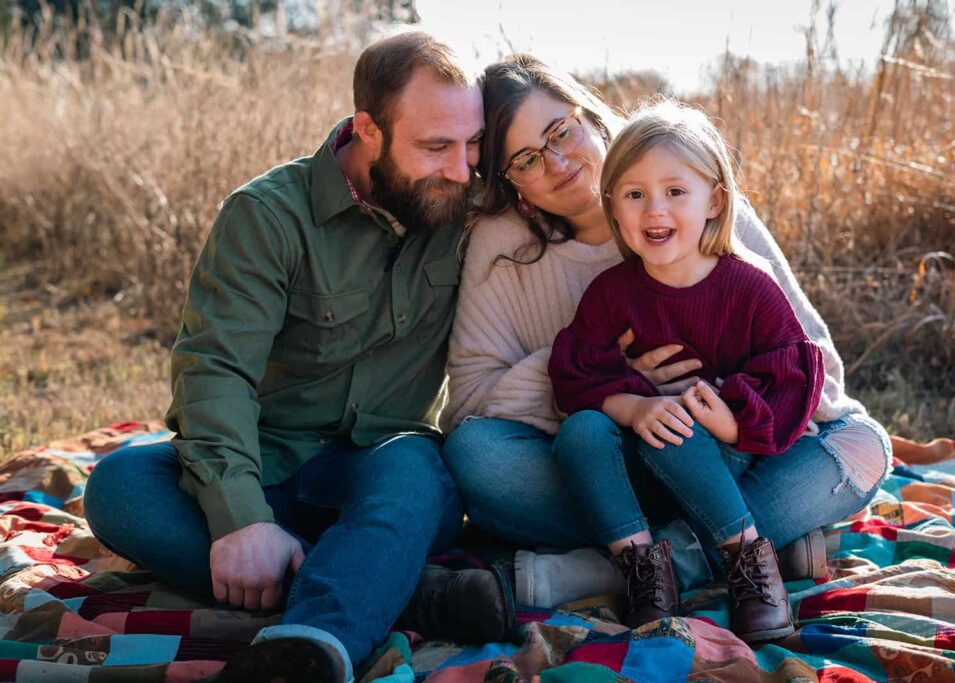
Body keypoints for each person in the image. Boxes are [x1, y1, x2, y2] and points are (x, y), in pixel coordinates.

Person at [83, 32, 513, 683]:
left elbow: (580, 219)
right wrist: (240, 518)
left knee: (420, 474)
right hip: (270, 461)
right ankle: (401, 590)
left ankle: (315, 645)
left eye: (472, 143)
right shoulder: (267, 216)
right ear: (368, 129)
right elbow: (215, 369)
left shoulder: (470, 209)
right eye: (435, 146)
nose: (461, 167)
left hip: (383, 463)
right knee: (119, 487)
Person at [442, 55, 892, 623]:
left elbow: (817, 369)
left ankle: (619, 569)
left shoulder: (700, 200)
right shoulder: (501, 244)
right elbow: (470, 402)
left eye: (561, 130)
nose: (557, 161)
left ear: (589, 115)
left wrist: (719, 400)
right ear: (513, 184)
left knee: (860, 447)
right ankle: (760, 545)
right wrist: (620, 382)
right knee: (475, 457)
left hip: (726, 453)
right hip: (600, 464)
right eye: (527, 158)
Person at [548, 101, 825, 641]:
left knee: (680, 425)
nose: (655, 209)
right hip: (639, 472)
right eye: (635, 194)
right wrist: (633, 405)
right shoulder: (612, 294)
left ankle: (747, 559)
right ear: (614, 207)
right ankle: (645, 571)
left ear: (715, 200)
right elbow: (574, 371)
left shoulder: (749, 287)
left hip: (723, 458)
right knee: (582, 430)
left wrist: (730, 422)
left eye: (676, 191)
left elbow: (793, 377)